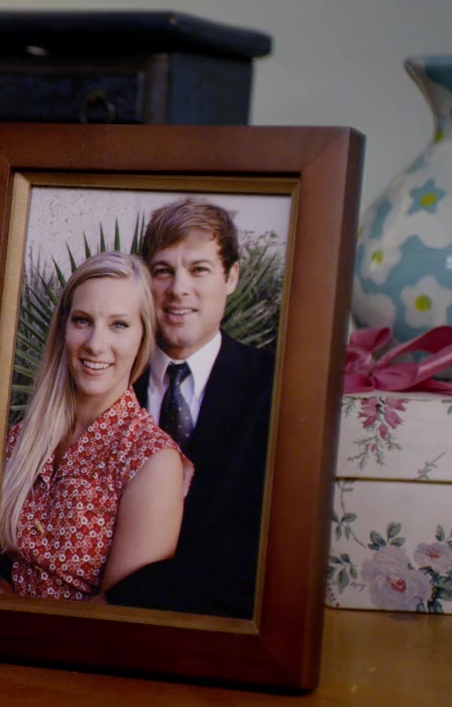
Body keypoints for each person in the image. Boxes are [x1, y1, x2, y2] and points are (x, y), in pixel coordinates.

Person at [104, 198, 276, 619]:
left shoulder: (276, 386)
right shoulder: (105, 377)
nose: (179, 289)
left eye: (199, 269)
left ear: (231, 277)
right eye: (164, 271)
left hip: (224, 628)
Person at [0, 251, 188, 601]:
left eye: (119, 325)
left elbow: (119, 615)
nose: (96, 345)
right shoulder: (19, 440)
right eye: (83, 321)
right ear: (63, 329)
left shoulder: (151, 461)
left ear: (143, 338)